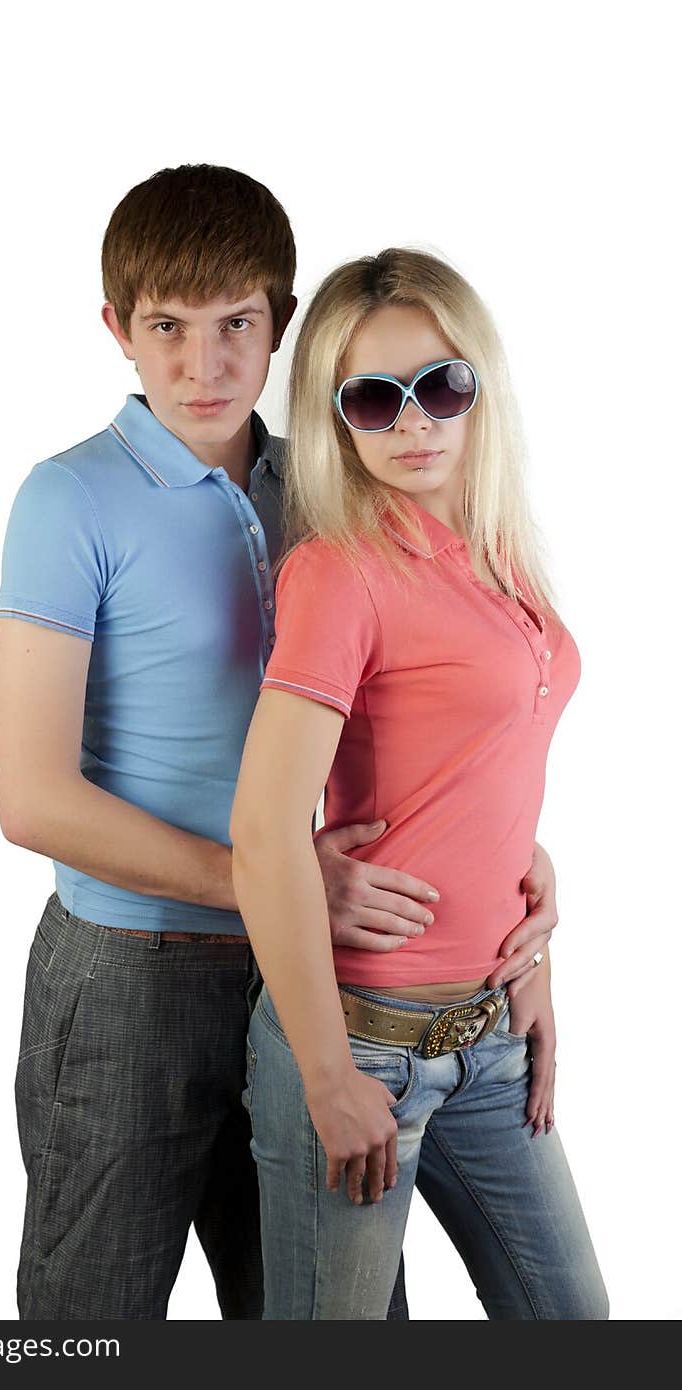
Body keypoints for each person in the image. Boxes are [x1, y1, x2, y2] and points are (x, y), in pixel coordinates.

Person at [0, 168, 560, 1321]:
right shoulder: (68, 499)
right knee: (87, 1323)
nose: (203, 366)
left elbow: (432, 703)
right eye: (167, 328)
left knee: (324, 1313)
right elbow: (32, 799)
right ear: (117, 330)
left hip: (315, 969)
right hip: (129, 976)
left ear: (281, 324)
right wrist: (274, 875)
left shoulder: (326, 477)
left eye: (236, 326)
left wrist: (512, 864)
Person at [230, 247, 609, 1319]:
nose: (415, 422)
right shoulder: (340, 572)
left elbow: (481, 764)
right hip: (360, 1038)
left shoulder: (495, 549)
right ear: (335, 417)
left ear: (479, 384)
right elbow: (264, 828)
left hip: (488, 1034)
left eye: (441, 385)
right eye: (372, 399)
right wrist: (322, 1075)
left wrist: (528, 897)